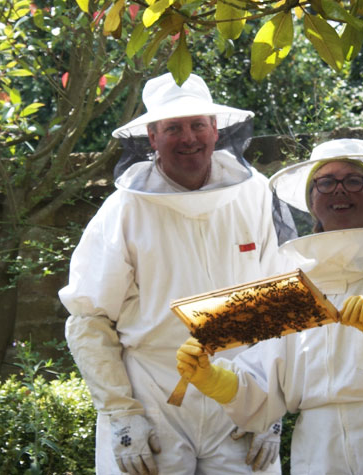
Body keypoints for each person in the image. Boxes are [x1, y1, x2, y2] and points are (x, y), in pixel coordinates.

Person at [175, 139, 363, 474]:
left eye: (353, 180)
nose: (340, 190)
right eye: (325, 182)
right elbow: (264, 386)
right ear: (311, 201)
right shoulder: (290, 285)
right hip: (320, 449)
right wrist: (213, 378)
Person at [60, 73, 288, 475]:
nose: (189, 138)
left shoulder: (255, 194)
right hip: (153, 395)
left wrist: (270, 406)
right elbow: (88, 317)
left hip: (238, 392)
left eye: (198, 124)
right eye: (173, 128)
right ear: (151, 136)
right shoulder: (124, 210)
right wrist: (121, 412)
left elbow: (280, 304)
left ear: (216, 129)